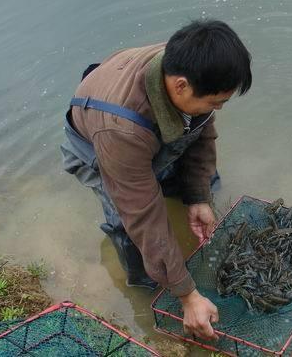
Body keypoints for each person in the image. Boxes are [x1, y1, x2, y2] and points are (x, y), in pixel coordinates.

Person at [60, 20, 252, 340]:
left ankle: (189, 212)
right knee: (130, 226)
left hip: (146, 129)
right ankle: (145, 288)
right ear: (180, 86)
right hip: (100, 146)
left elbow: (202, 129)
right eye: (215, 101)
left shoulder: (192, 68)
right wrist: (187, 295)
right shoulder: (122, 131)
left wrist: (198, 197)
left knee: (201, 182)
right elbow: (144, 216)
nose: (217, 108)